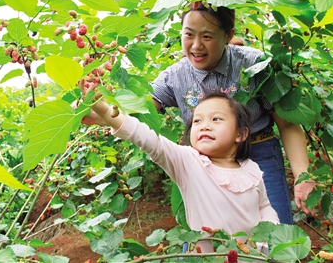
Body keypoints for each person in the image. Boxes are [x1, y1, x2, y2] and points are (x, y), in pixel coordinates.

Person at [151, 1, 314, 224]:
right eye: (189, 35)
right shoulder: (175, 76)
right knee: (208, 236)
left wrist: (302, 174)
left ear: (228, 36)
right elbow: (141, 105)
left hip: (259, 154)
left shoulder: (254, 65)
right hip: (205, 164)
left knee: (275, 233)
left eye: (207, 37)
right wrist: (103, 109)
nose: (196, 45)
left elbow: (287, 124)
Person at [82, 89, 280, 253]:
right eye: (197, 121)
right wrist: (105, 110)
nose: (205, 126)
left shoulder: (251, 170)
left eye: (216, 119)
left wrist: (270, 233)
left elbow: (264, 206)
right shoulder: (189, 163)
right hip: (208, 258)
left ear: (241, 133)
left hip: (253, 257)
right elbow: (149, 139)